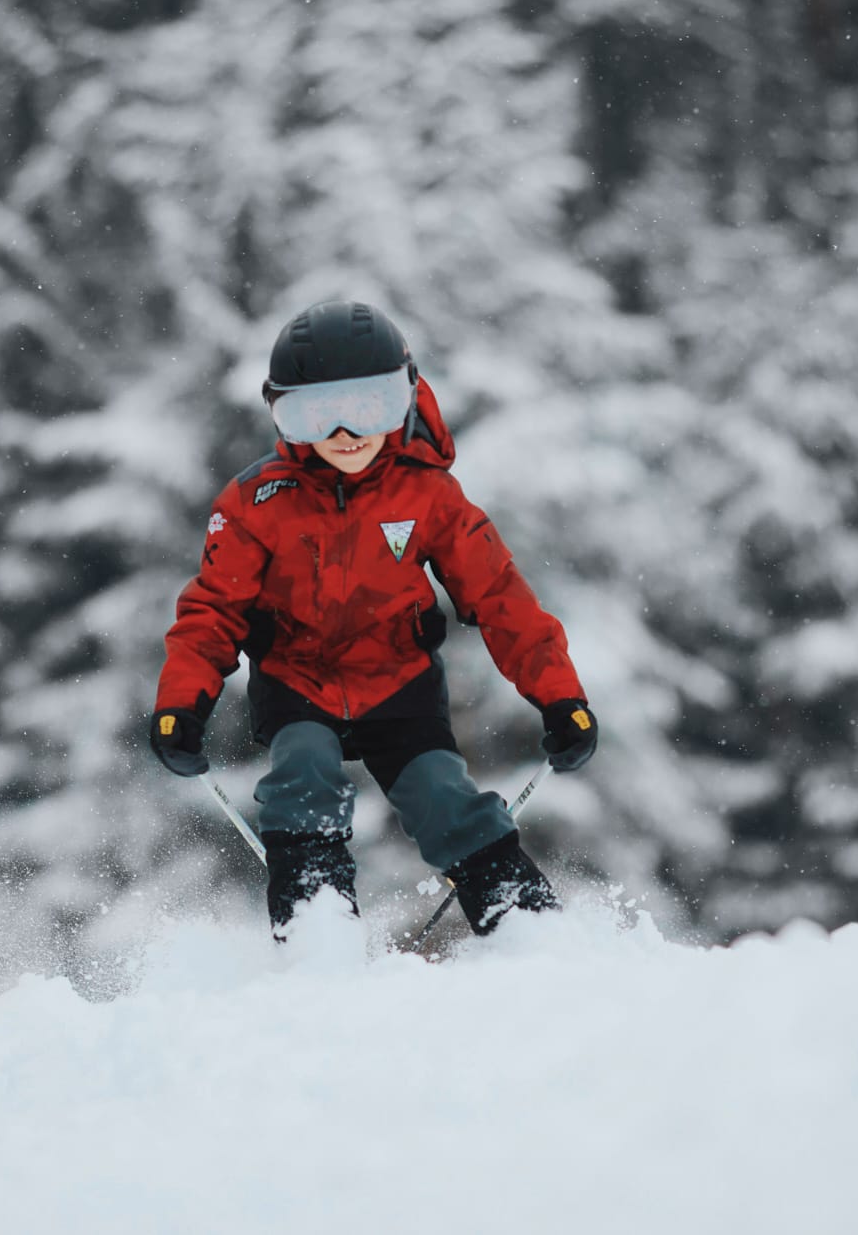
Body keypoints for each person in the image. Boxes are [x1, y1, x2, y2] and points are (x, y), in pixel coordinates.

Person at [148, 301, 599, 937]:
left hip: (399, 684)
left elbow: (502, 599)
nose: (345, 431)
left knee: (441, 791)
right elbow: (211, 612)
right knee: (302, 768)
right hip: (297, 682)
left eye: (371, 406)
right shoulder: (256, 502)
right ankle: (315, 923)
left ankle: (523, 923)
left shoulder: (428, 493)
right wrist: (182, 705)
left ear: (406, 399)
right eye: (314, 412)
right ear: (283, 414)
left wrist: (560, 698)